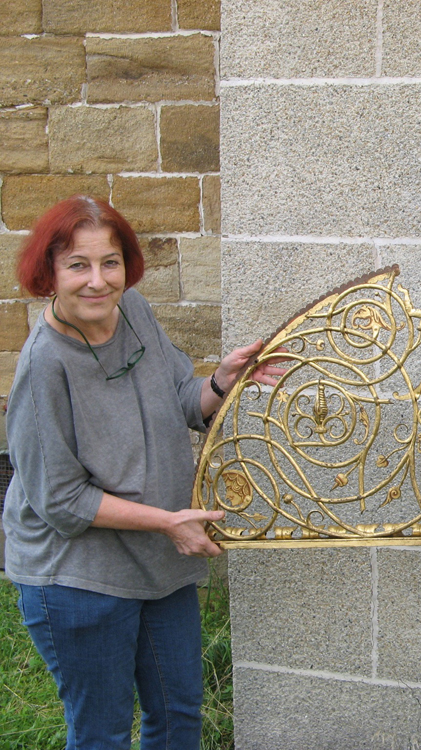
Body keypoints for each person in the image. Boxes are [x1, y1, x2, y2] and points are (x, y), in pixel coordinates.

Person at [2, 196, 285, 749]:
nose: (98, 281)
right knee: (103, 734)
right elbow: (61, 500)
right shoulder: (43, 366)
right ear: (49, 272)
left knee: (179, 715)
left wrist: (222, 382)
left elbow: (178, 398)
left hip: (158, 563)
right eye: (78, 265)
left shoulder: (133, 309)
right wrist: (166, 522)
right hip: (78, 577)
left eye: (110, 262)